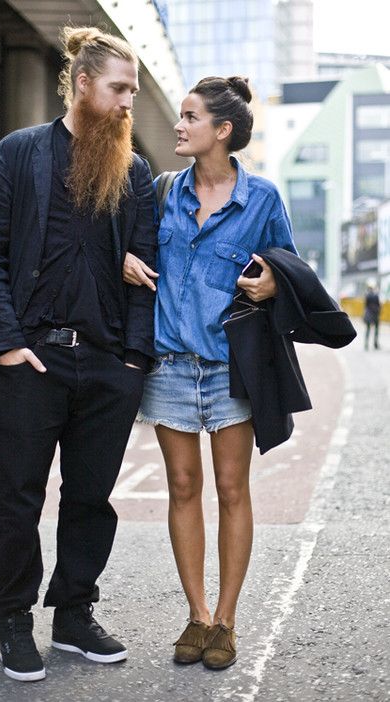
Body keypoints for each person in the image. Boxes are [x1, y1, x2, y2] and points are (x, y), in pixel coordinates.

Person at [0, 26, 156, 682]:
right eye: (118, 89)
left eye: (133, 90)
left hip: (107, 366)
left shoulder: (135, 172)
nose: (128, 102)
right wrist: (8, 345)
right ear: (82, 84)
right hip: (33, 362)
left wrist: (133, 363)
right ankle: (14, 616)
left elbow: (147, 272)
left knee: (91, 499)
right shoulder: (17, 154)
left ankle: (74, 614)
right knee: (16, 499)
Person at [123, 76, 297, 670]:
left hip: (231, 370)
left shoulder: (263, 199)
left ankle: (227, 620)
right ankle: (196, 615)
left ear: (221, 131)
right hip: (170, 366)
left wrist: (275, 280)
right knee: (182, 488)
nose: (178, 125)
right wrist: (124, 257)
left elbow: (291, 267)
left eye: (190, 117)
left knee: (231, 489)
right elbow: (128, 242)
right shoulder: (161, 190)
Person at [363, 283, 380, 350]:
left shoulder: (367, 296)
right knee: (376, 330)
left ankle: (366, 344)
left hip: (369, 314)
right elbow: (379, 305)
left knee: (368, 329)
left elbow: (365, 306)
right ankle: (375, 344)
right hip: (375, 314)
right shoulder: (376, 296)